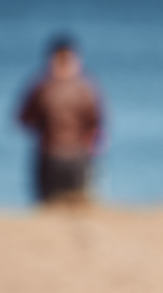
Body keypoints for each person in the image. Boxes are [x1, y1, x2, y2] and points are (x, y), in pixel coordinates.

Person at [18, 36, 104, 206]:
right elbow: (97, 125)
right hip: (75, 157)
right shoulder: (86, 88)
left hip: (53, 155)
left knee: (50, 206)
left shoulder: (41, 87)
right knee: (77, 205)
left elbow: (23, 119)